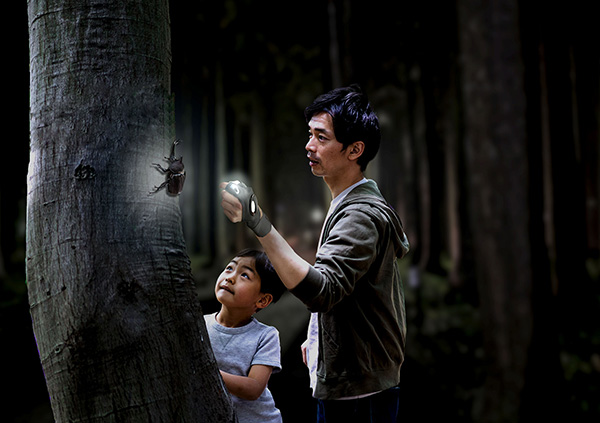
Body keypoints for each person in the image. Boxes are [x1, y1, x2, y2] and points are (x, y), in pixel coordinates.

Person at [220, 85, 410, 423]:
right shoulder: (345, 203)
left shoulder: (360, 215)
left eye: (321, 138)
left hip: (360, 394)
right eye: (310, 134)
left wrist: (258, 221)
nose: (309, 146)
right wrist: (319, 339)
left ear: (355, 150)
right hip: (351, 383)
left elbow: (322, 291)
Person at [204, 249, 287, 423]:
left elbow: (254, 388)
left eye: (245, 276)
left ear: (262, 300)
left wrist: (208, 372)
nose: (230, 277)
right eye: (229, 268)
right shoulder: (201, 325)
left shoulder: (265, 336)